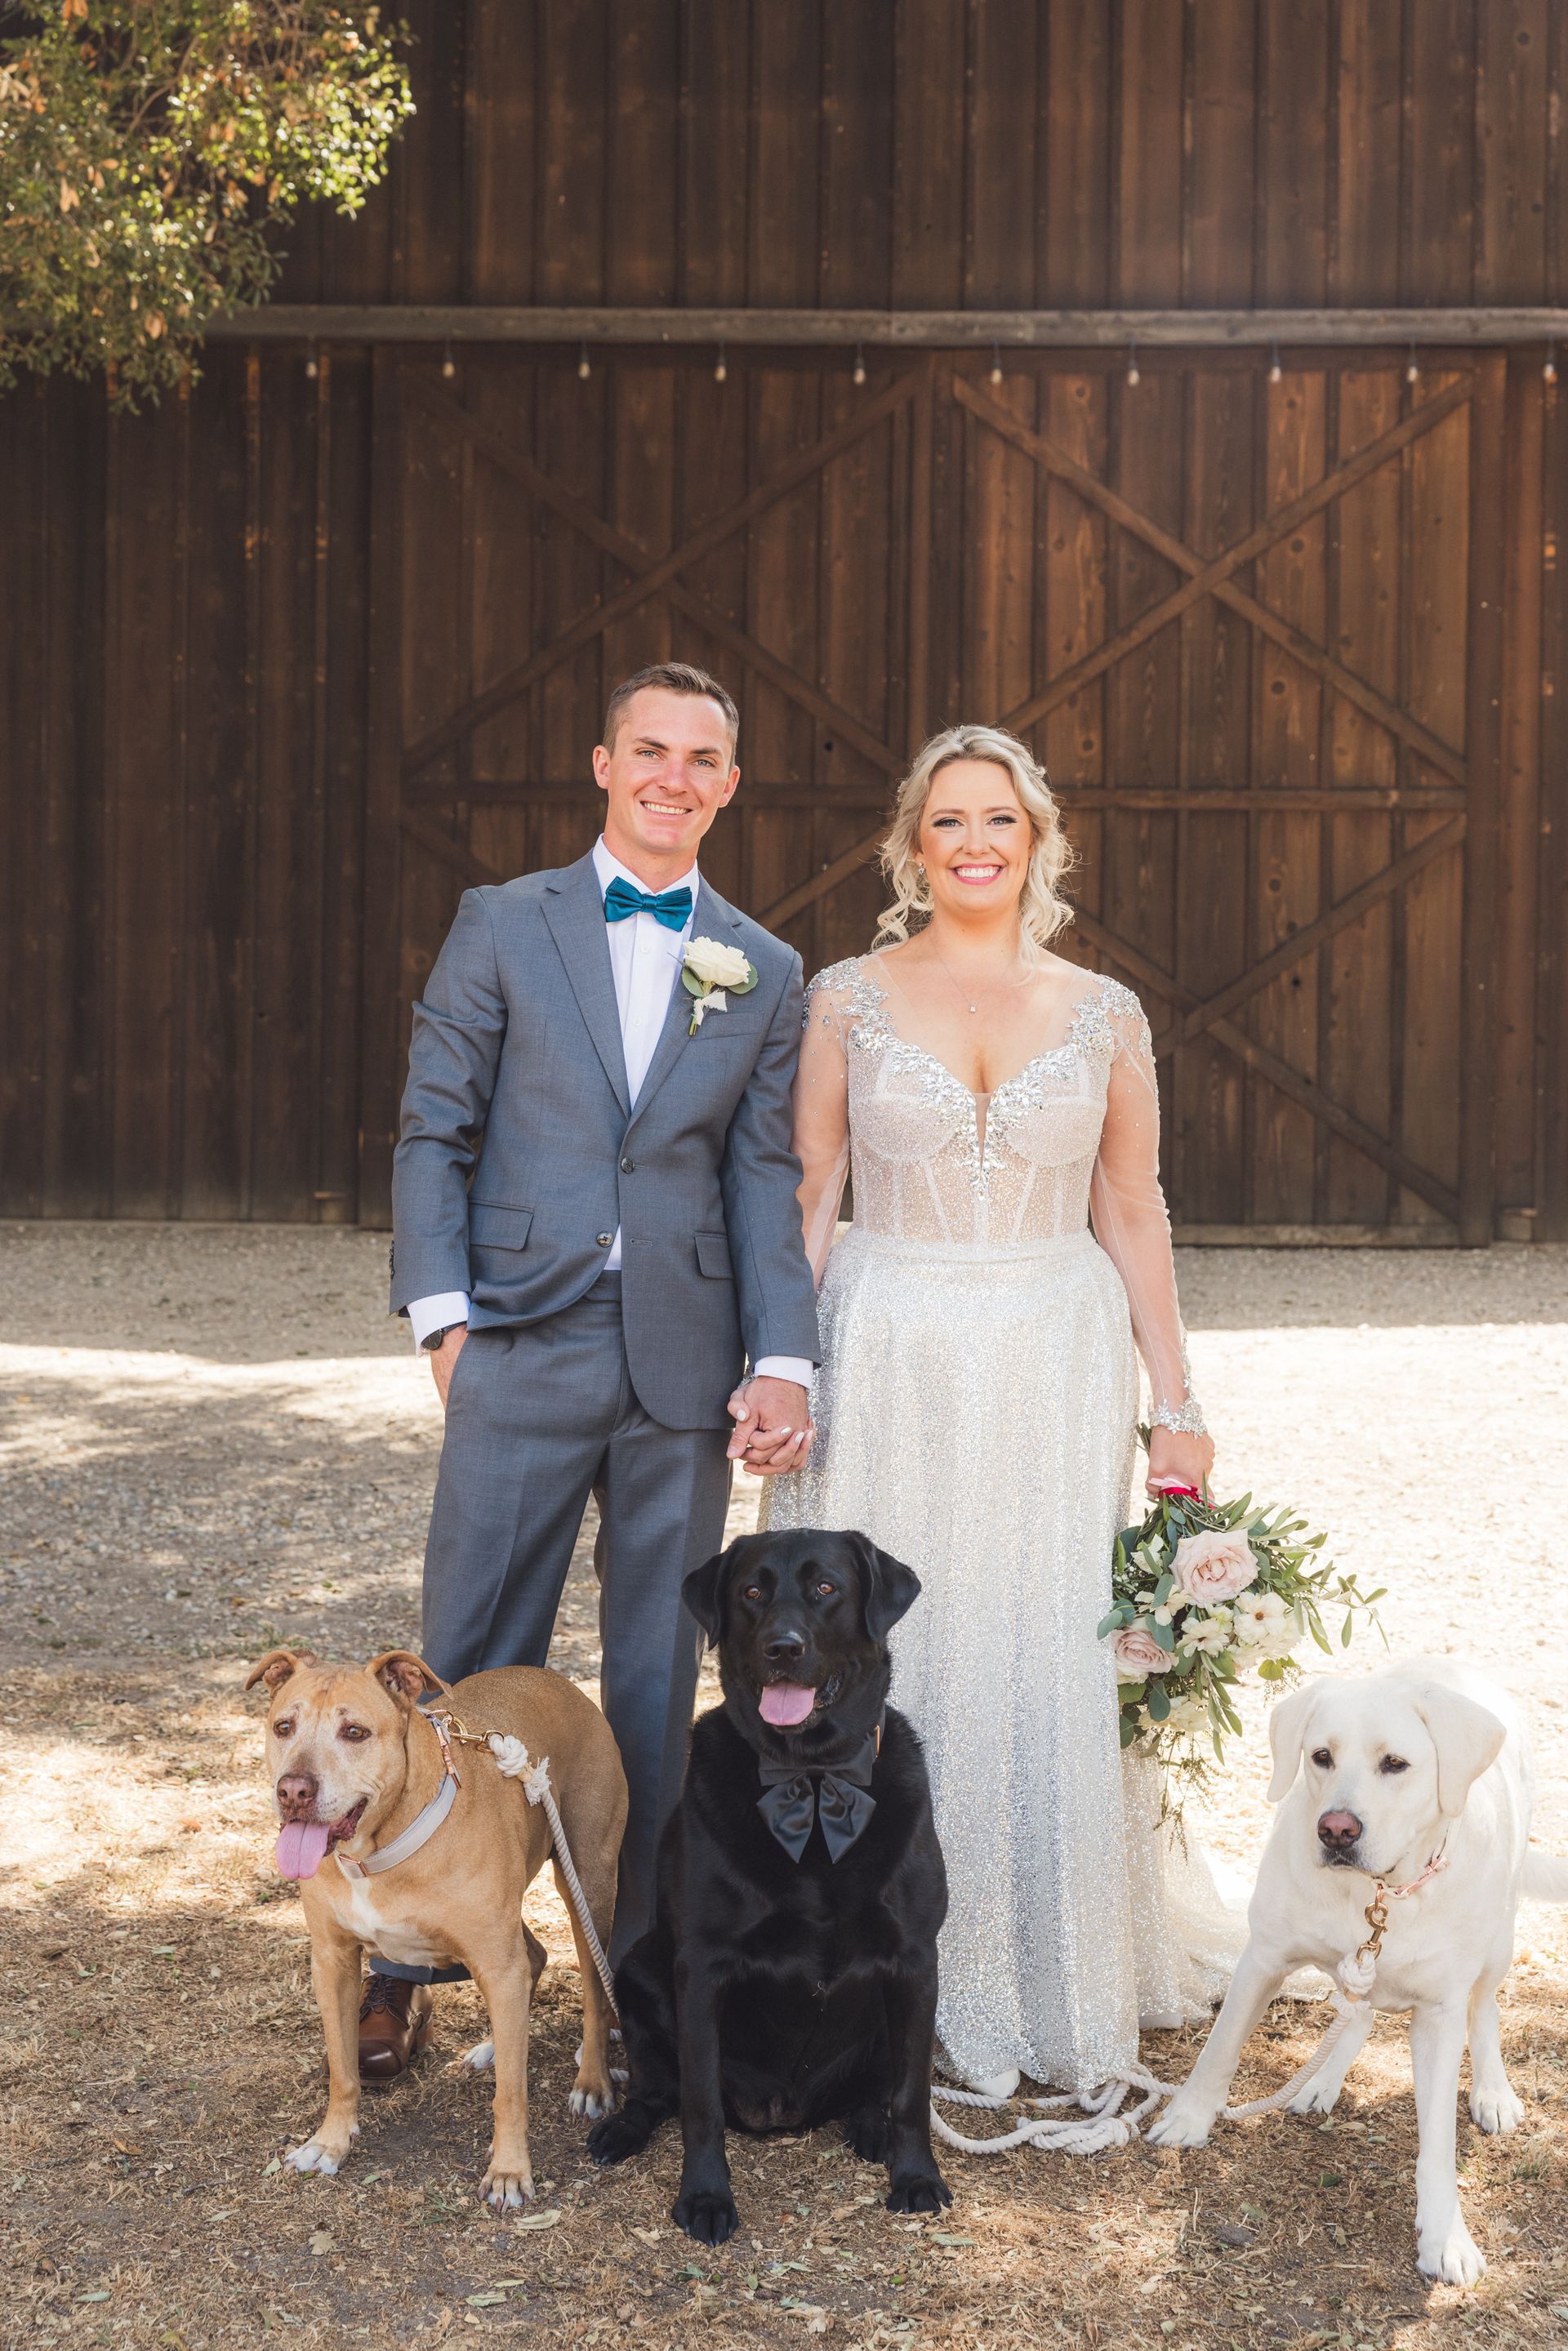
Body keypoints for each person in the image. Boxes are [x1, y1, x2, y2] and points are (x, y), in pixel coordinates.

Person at [763, 724, 1240, 2102]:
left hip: (1053, 1354)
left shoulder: (1104, 1013)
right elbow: (810, 1190)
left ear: (1039, 843)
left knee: (1036, 1629)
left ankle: (1043, 1961)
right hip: (887, 1347)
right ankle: (848, 1972)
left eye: (1001, 822)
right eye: (950, 822)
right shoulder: (845, 999)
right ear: (912, 848)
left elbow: (1132, 1205)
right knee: (880, 1638)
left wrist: (1178, 1401)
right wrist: (781, 1366)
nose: (976, 844)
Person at [369, 662, 820, 2079]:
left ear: (729, 785)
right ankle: (403, 1961)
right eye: (650, 750)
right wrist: (446, 1317)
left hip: (684, 1362)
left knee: (654, 1677)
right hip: (517, 1334)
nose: (674, 776)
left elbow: (764, 1175)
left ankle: (636, 1981)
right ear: (605, 765)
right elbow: (433, 1126)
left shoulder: (764, 966)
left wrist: (783, 1355)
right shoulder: (505, 922)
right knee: (467, 1656)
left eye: (701, 758)